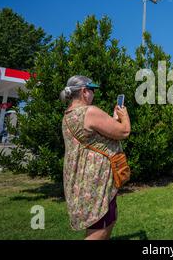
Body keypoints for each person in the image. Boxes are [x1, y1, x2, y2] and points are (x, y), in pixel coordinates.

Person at [60, 75, 131, 240]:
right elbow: (124, 131)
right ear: (84, 92)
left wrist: (113, 119)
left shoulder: (69, 115)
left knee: (106, 219)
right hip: (95, 181)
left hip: (82, 179)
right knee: (100, 226)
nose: (94, 94)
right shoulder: (89, 112)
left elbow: (99, 137)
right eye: (92, 90)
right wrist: (124, 115)